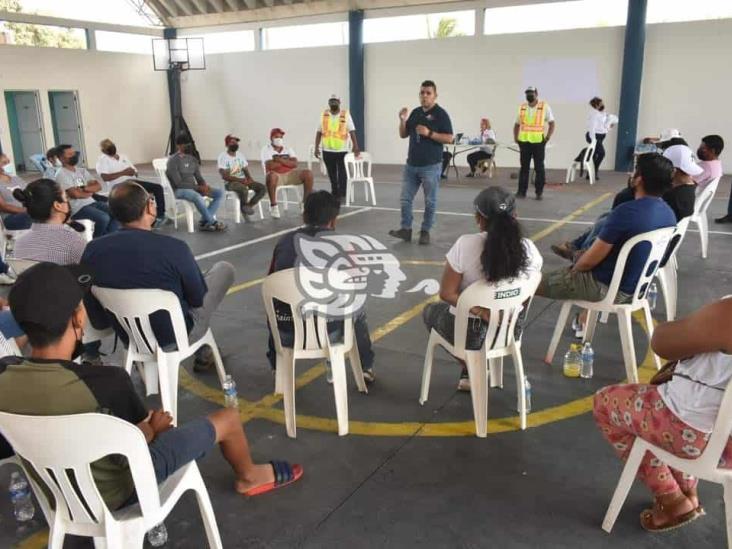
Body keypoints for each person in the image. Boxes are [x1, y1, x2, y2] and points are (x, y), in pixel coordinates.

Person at [0, 262, 303, 508]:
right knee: (228, 418)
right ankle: (249, 476)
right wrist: (155, 427)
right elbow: (138, 440)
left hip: (57, 495)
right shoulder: (106, 382)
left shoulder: (5, 377)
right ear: (78, 318)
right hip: (120, 491)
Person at [594, 296, 732, 531]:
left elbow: (662, 343)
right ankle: (686, 488)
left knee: (605, 403)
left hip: (696, 437)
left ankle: (672, 499)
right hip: (726, 448)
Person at [82, 182, 235, 371]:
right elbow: (197, 300)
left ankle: (200, 352)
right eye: (151, 200)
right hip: (174, 336)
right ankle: (204, 353)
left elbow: (96, 315)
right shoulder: (174, 248)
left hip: (129, 335)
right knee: (222, 269)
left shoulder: (92, 250)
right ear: (149, 207)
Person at [423, 187, 542, 391]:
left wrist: (481, 311)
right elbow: (527, 291)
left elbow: (447, 293)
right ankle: (475, 368)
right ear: (515, 216)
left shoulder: (465, 245)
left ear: (479, 219)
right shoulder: (530, 249)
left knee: (429, 312)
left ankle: (470, 366)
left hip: (471, 334)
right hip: (510, 329)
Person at [266, 191, 376, 382]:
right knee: (356, 309)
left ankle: (278, 366)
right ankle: (364, 366)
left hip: (285, 332)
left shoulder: (283, 242)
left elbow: (271, 280)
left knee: (276, 305)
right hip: (327, 333)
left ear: (304, 215)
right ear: (333, 221)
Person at [538, 153, 676, 304]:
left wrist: (572, 272)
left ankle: (513, 324)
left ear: (639, 179)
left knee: (528, 284)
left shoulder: (626, 212)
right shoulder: (668, 214)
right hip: (637, 289)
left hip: (607, 288)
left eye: (635, 170)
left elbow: (587, 263)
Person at [551, 147, 698, 262]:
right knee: (607, 217)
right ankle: (579, 247)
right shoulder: (683, 192)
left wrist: (633, 188)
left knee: (610, 221)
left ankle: (584, 252)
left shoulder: (672, 199)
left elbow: (626, 207)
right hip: (654, 244)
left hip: (640, 248)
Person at [389, 80, 453, 246]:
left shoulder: (441, 114)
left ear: (435, 96)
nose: (424, 96)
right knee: (405, 198)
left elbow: (449, 138)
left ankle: (425, 231)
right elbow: (403, 134)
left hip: (431, 166)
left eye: (428, 93)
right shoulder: (416, 113)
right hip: (412, 165)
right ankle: (406, 229)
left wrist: (429, 133)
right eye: (422, 93)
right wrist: (402, 120)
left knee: (430, 201)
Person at [12, 179, 86, 265]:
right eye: (66, 197)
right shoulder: (74, 242)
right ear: (57, 206)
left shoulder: (19, 243)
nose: (68, 201)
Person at [95, 138, 167, 225]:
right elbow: (105, 177)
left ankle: (160, 215)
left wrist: (134, 172)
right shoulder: (102, 160)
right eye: (108, 148)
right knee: (137, 196)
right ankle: (142, 219)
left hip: (132, 181)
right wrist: (124, 172)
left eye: (112, 146)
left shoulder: (123, 156)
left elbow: (134, 171)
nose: (111, 149)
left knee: (157, 187)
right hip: (118, 186)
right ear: (104, 151)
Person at [54, 144, 118, 238]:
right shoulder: (61, 174)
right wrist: (89, 191)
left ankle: (107, 238)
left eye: (74, 152)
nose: (74, 155)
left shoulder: (81, 171)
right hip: (77, 208)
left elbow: (98, 186)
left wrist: (85, 189)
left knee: (117, 212)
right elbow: (75, 194)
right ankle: (96, 241)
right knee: (103, 218)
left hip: (91, 202)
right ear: (61, 158)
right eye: (70, 154)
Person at [166, 134, 226, 232]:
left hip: (193, 188)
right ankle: (212, 222)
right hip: (179, 190)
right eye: (185, 144)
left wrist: (204, 186)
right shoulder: (173, 161)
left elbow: (198, 177)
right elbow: (179, 183)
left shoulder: (193, 159)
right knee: (196, 196)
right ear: (178, 146)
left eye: (189, 144)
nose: (188, 146)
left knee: (219, 193)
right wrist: (198, 188)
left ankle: (204, 221)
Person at [314, 94, 360, 200]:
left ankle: (342, 192)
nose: (333, 103)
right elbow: (319, 132)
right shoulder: (324, 115)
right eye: (331, 101)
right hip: (327, 150)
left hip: (342, 150)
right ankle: (335, 191)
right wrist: (316, 147)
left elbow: (352, 130)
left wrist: (356, 146)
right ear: (329, 103)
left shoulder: (345, 115)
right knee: (332, 173)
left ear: (339, 102)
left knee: (342, 173)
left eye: (335, 101)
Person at [261, 128, 313, 219]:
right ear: (271, 138)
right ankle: (274, 206)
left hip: (290, 175)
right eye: (276, 137)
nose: (279, 139)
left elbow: (295, 164)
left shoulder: (288, 148)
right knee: (271, 176)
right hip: (276, 176)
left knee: (308, 174)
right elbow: (270, 166)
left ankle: (305, 204)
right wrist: (287, 162)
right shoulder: (266, 149)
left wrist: (279, 160)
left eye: (281, 137)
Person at [514, 86, 555, 200]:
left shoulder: (544, 107)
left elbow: (552, 123)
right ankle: (521, 192)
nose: (529, 95)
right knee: (524, 168)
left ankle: (539, 192)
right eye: (527, 93)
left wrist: (547, 138)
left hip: (538, 142)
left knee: (539, 168)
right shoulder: (522, 107)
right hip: (524, 142)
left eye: (531, 93)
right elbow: (517, 124)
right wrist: (516, 138)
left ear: (536, 93)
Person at [218, 134, 266, 218]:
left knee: (262, 188)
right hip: (230, 183)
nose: (235, 144)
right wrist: (241, 181)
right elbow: (225, 176)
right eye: (232, 142)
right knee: (243, 189)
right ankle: (244, 211)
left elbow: (245, 169)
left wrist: (250, 178)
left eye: (236, 142)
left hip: (243, 180)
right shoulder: (223, 157)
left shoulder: (240, 155)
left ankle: (248, 206)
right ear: (226, 145)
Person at [586, 97, 616, 178]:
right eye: (601, 103)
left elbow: (603, 126)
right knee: (601, 153)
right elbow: (592, 127)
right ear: (596, 105)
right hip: (594, 136)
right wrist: (593, 140)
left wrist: (610, 126)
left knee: (595, 154)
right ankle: (593, 171)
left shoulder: (601, 113)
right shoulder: (594, 114)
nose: (603, 105)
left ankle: (590, 173)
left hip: (600, 136)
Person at [0, 153, 31, 231]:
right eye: (4, 163)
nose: (8, 165)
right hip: (10, 217)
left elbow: (30, 190)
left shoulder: (15, 178)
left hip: (28, 211)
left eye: (8, 162)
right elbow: (3, 206)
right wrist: (28, 211)